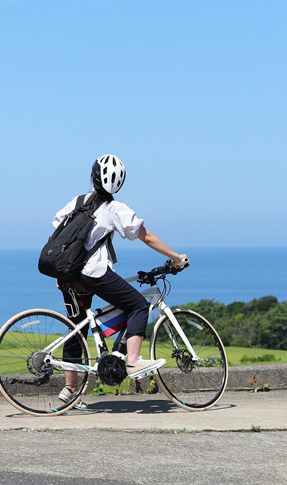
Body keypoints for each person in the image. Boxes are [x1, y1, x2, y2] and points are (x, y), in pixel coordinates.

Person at [55, 154, 189, 408]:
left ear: (93, 176)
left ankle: (69, 390)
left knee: (77, 328)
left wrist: (62, 272)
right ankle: (132, 362)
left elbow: (57, 229)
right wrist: (175, 257)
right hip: (94, 272)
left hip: (69, 273)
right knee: (138, 305)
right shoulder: (114, 209)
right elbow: (145, 236)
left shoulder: (78, 201)